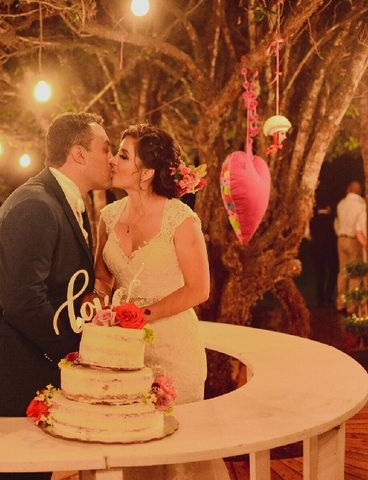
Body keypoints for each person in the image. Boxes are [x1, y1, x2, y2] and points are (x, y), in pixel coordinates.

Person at [0, 112, 115, 480]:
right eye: (106, 149)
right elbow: (22, 301)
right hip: (8, 372)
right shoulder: (35, 204)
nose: (112, 159)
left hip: (26, 364)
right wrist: (74, 350)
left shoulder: (64, 202)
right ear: (79, 154)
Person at [94, 124, 224, 479]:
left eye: (122, 155)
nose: (112, 160)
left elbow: (199, 290)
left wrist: (142, 314)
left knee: (180, 451)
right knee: (132, 445)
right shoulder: (107, 216)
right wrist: (101, 305)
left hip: (173, 346)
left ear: (147, 172)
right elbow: (103, 276)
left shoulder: (180, 219)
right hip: (123, 348)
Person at [334, 181, 365, 310]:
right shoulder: (362, 205)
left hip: (341, 239)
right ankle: (351, 306)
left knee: (342, 272)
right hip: (354, 240)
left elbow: (336, 222)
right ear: (360, 191)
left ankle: (341, 303)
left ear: (348, 189)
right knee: (355, 273)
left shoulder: (341, 204)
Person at [309, 204, 338, 307]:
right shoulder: (332, 219)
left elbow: (307, 235)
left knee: (319, 274)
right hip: (330, 248)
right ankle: (329, 295)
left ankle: (320, 297)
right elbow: (337, 231)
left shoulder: (312, 220)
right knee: (333, 271)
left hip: (316, 249)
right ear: (328, 208)